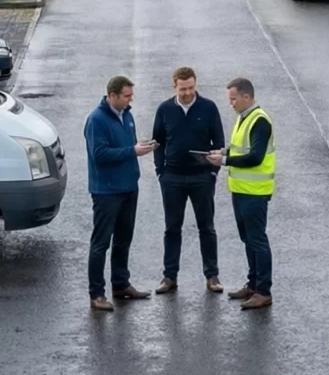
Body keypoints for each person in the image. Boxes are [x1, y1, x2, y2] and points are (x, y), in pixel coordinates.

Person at [151, 66, 226, 295]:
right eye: (183, 89)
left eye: (191, 88)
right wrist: (160, 172)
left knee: (207, 227)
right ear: (175, 86)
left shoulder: (209, 107)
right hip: (172, 177)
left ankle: (212, 276)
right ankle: (169, 276)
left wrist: (212, 174)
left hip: (201, 177)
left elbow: (218, 141)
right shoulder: (164, 109)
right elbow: (158, 142)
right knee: (172, 228)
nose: (187, 93)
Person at [84, 75, 156, 311]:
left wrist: (138, 147)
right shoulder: (97, 120)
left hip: (128, 188)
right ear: (112, 96)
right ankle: (96, 294)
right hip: (106, 192)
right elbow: (100, 155)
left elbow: (128, 147)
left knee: (124, 240)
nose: (130, 100)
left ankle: (121, 284)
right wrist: (132, 151)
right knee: (101, 243)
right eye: (126, 96)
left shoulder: (127, 115)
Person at [207, 77, 275, 311]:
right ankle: (253, 284)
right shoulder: (243, 118)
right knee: (248, 239)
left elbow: (255, 157)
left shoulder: (260, 121)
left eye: (233, 99)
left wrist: (224, 160)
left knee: (257, 240)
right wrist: (223, 152)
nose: (231, 104)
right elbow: (240, 149)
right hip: (241, 191)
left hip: (255, 193)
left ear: (247, 97)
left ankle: (264, 291)